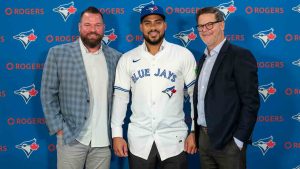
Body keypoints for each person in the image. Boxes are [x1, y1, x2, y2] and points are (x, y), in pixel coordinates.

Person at [111, 4, 197, 169]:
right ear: (141, 27)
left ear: (165, 25)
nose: (153, 27)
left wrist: (194, 131)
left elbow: (195, 96)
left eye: (157, 22)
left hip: (174, 140)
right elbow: (120, 98)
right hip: (139, 141)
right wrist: (116, 134)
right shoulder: (128, 59)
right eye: (148, 23)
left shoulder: (183, 55)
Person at [40, 6, 121, 169]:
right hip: (72, 137)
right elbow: (47, 93)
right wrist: (59, 128)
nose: (93, 29)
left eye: (97, 25)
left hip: (103, 141)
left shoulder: (116, 57)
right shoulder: (58, 53)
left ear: (104, 28)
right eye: (87, 25)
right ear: (79, 27)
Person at [193, 7, 260, 169]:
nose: (204, 30)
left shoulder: (240, 56)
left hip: (229, 142)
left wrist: (238, 140)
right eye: (201, 26)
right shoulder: (203, 59)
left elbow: (251, 102)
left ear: (221, 25)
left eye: (209, 25)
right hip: (203, 139)